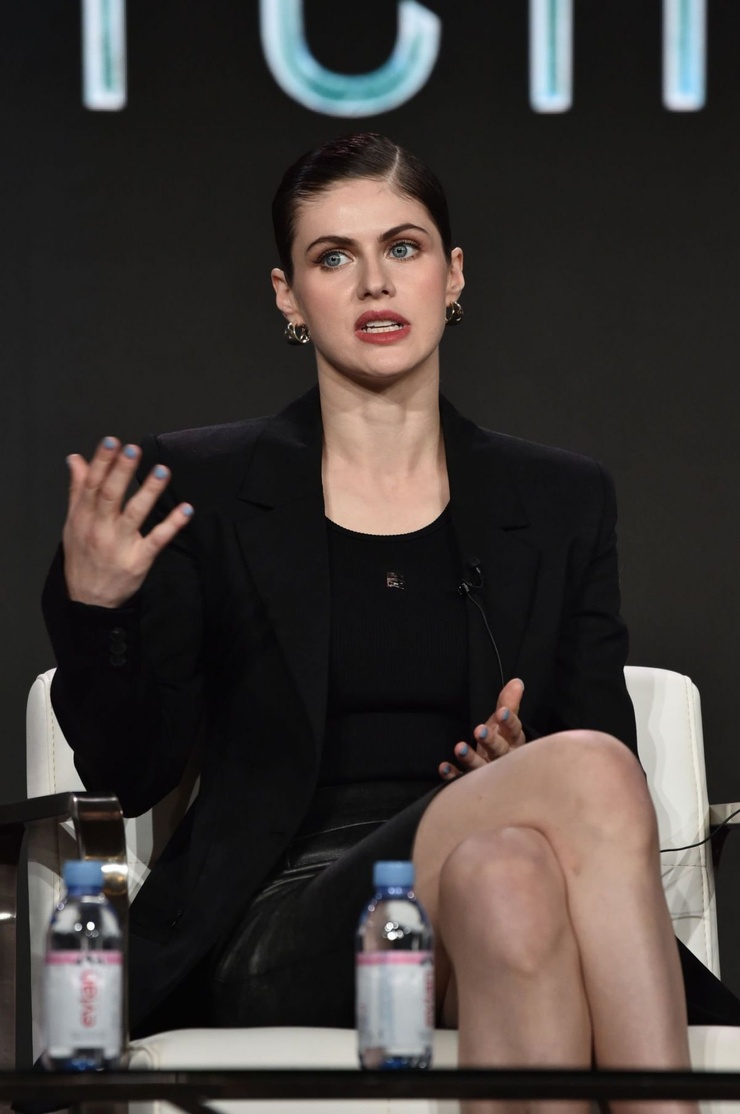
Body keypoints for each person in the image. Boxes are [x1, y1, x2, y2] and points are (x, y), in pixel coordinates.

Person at [42, 132, 740, 1114]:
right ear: (288, 296)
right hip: (287, 924)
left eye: (402, 248)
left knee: (509, 875)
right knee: (578, 774)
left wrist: (521, 765)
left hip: (483, 892)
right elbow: (129, 773)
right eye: (333, 257)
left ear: (451, 275)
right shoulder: (204, 488)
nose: (374, 281)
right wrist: (98, 609)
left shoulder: (558, 500)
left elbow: (598, 749)